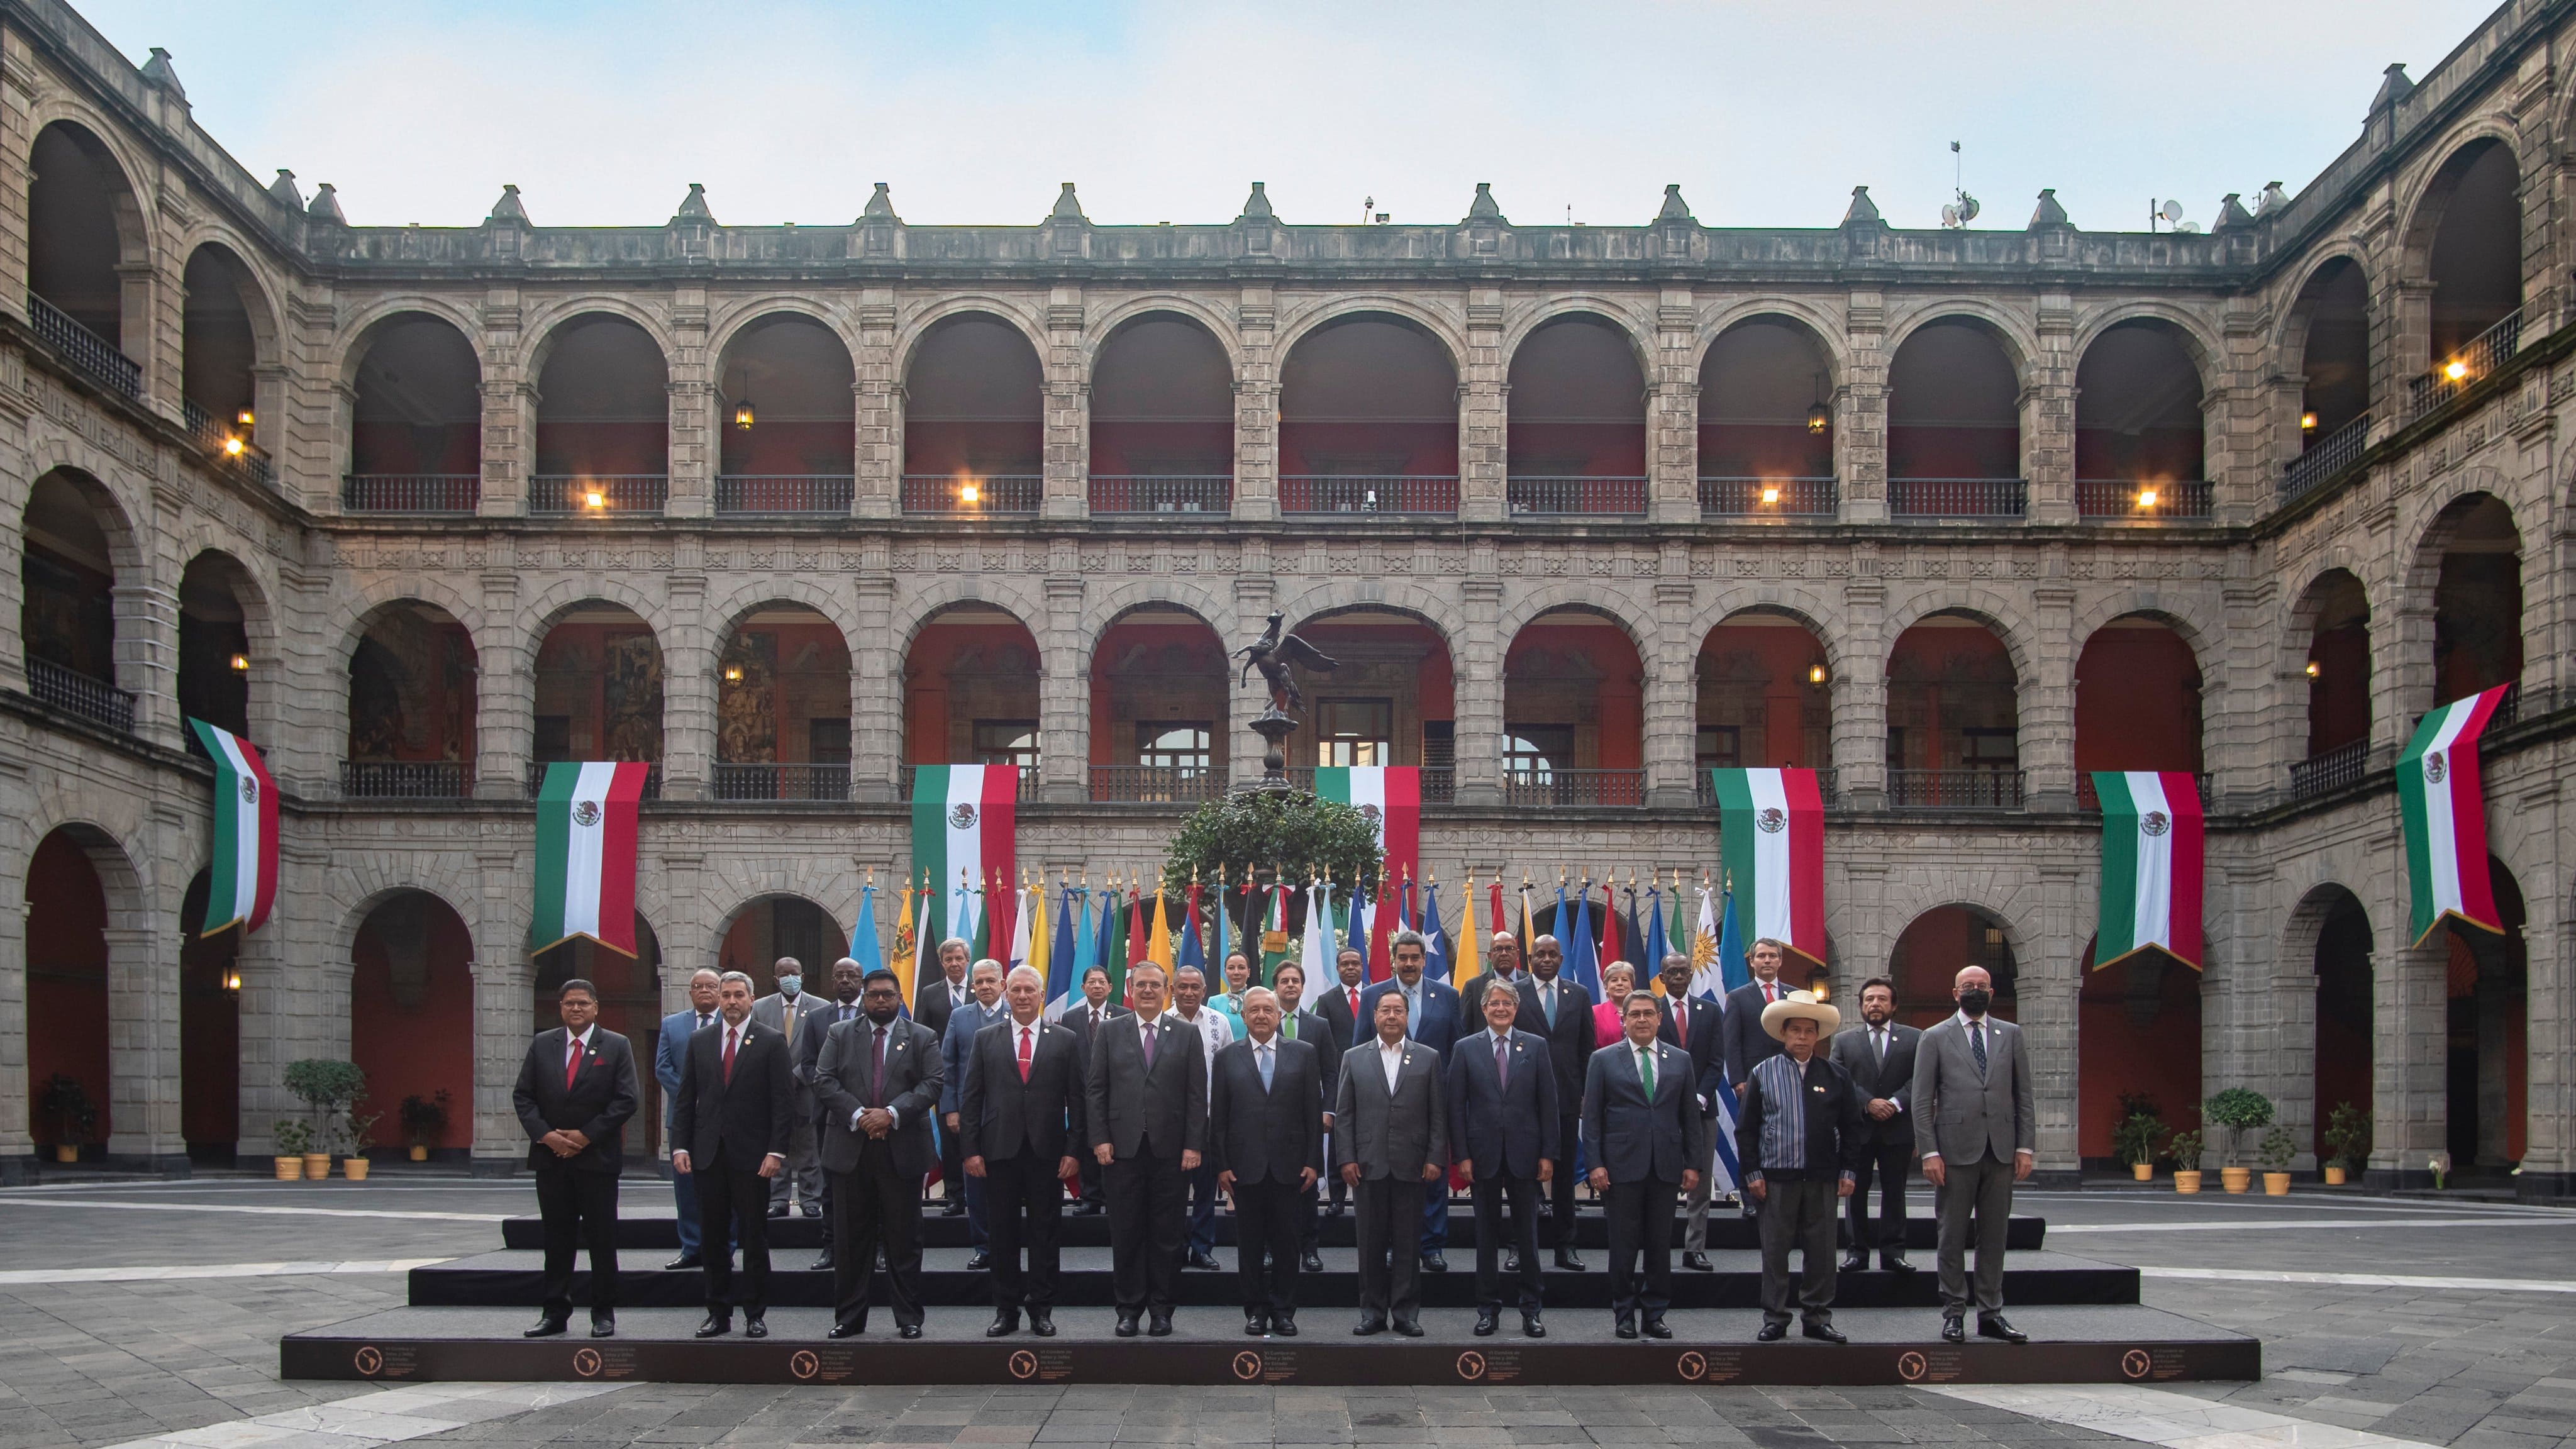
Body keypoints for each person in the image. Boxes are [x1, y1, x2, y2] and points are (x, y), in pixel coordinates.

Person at [813, 965, 941, 1339]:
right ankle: (850, 1318)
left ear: (900, 998)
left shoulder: (923, 1036)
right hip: (850, 1148)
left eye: (888, 994)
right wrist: (859, 1115)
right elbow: (823, 1079)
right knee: (851, 1240)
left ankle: (909, 1318)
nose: (881, 1000)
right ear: (863, 998)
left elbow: (933, 1083)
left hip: (901, 1150)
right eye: (874, 995)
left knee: (905, 1239)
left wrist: (891, 1114)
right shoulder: (839, 1033)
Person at [1913, 965, 2036, 1345]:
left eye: (1981, 986)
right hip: (1952, 1153)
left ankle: (1990, 1313)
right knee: (1951, 1236)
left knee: (1995, 1236)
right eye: (1968, 986)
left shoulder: (2011, 1034)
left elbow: (2023, 1096)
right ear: (1955, 993)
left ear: (1991, 991)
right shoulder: (1934, 1037)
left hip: (2000, 1150)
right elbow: (1921, 1101)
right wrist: (1929, 1151)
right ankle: (1954, 1313)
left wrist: (2025, 1146)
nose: (1975, 991)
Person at [511, 978, 639, 1340]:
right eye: (570, 1003)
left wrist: (586, 1136)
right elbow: (523, 1096)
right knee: (557, 1239)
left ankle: (603, 1313)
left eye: (583, 1003)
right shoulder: (542, 1043)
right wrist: (547, 1135)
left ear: (596, 1007)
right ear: (561, 1007)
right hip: (551, 1159)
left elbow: (627, 1099)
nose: (577, 1009)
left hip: (596, 1158)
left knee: (602, 1238)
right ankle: (554, 1312)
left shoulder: (616, 1045)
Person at [960, 965, 1083, 1338]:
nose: (1023, 996)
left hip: (1048, 1152)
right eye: (1016, 990)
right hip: (999, 1151)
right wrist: (971, 1151)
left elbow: (1077, 1099)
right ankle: (1006, 1310)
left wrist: (1074, 1149)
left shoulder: (1065, 1039)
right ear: (1005, 993)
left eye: (1030, 990)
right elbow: (971, 1099)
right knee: (1003, 1235)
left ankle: (1042, 1309)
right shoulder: (986, 1038)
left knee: (1046, 1234)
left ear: (1041, 995)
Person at [1738, 989, 1868, 1343]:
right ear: (1783, 1033)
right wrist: (1752, 1174)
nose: (1801, 1037)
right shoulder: (1763, 1073)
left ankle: (1817, 1317)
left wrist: (1849, 1171)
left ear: (1818, 1035)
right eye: (1795, 1030)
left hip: (1824, 1178)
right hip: (1775, 1178)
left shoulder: (1836, 1075)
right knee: (1775, 1252)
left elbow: (1853, 1127)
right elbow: (1746, 1129)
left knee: (1823, 1252)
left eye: (1809, 1031)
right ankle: (1776, 1317)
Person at [1085, 961, 1206, 1338]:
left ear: (1166, 989)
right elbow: (1096, 1090)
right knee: (1126, 1233)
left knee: (1167, 1235)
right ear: (1130, 989)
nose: (1149, 991)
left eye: (1156, 985)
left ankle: (1161, 1310)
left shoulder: (1186, 1034)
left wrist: (1193, 1145)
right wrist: (1100, 1138)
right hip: (1121, 1151)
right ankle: (1128, 1310)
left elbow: (1195, 1095)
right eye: (1142, 985)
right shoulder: (1109, 1031)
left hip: (1171, 1152)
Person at [671, 970, 792, 1339]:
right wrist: (680, 1145)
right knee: (712, 1238)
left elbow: (783, 1103)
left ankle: (755, 1314)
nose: (731, 1001)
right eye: (726, 995)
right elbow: (686, 1099)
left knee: (754, 1238)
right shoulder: (700, 1040)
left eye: (739, 994)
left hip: (754, 1158)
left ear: (752, 999)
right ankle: (717, 1314)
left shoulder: (771, 1041)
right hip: (709, 1156)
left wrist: (776, 1151)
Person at [1582, 991, 1709, 1340]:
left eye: (1648, 1014)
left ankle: (1655, 1314)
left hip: (1666, 1167)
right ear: (1623, 1019)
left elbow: (1690, 1118)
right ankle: (1624, 1313)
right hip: (1621, 1169)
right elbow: (1592, 1118)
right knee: (1623, 1247)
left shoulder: (1680, 1060)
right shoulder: (1603, 1059)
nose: (1641, 1020)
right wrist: (1595, 1164)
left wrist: (1693, 1164)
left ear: (1659, 1018)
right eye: (1634, 1014)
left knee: (1658, 1247)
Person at [1208, 986, 1324, 1336]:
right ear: (1243, 1017)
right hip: (1244, 1169)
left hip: (1291, 1168)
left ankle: (1284, 1311)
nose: (1260, 1016)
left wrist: (1313, 1162)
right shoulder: (1227, 1057)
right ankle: (1256, 1311)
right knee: (1251, 1246)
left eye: (1267, 1010)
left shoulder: (1304, 1054)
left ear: (1278, 1016)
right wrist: (1222, 1165)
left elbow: (1311, 1113)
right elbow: (1220, 1118)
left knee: (1289, 1244)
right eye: (1253, 1010)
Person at [1446, 977, 1556, 1338]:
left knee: (1528, 1237)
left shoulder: (1536, 1047)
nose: (1500, 1009)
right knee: (1486, 1236)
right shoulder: (1465, 1048)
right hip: (1482, 1156)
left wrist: (1548, 1154)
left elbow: (1548, 1105)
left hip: (1527, 1155)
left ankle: (1531, 1311)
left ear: (1516, 1008)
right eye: (1493, 1004)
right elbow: (1455, 1107)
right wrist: (1461, 1155)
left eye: (1506, 1004)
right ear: (1484, 1009)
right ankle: (1487, 1310)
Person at [1335, 990, 1446, 1338]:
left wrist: (1434, 1157)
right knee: (1369, 1244)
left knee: (1408, 1243)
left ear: (1408, 1016)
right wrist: (1347, 1158)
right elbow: (1345, 1115)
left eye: (1399, 1010)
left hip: (1412, 1165)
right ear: (1375, 1016)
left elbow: (1437, 1115)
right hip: (1367, 1166)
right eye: (1386, 1010)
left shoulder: (1428, 1058)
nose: (1392, 1016)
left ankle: (1406, 1314)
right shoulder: (1354, 1057)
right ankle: (1372, 1312)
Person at [1360, 931, 1462, 1272]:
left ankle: (1431, 1245)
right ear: (1394, 960)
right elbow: (1360, 1051)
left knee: (1432, 1174)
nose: (1408, 964)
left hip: (1434, 1102)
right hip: (1385, 1104)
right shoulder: (1374, 995)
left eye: (1414, 958)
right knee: (1391, 1179)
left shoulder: (1447, 996)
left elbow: (1456, 1050)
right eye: (1402, 958)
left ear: (1424, 960)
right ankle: (1393, 1245)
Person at [1829, 977, 1920, 1274]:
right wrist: (1868, 1103)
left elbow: (1921, 1079)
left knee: (1896, 1191)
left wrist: (1894, 1103)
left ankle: (1894, 1253)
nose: (1875, 1004)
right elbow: (1839, 1079)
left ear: (1893, 1005)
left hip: (1899, 1127)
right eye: (1869, 999)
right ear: (1861, 1005)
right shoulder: (1844, 1040)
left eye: (1881, 999)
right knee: (1855, 1191)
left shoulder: (1915, 1038)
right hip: (1859, 1128)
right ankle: (1857, 1253)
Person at [1514, 933, 1594, 1270]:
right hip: (1522, 1101)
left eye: (1552, 954)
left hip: (1564, 1099)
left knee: (1563, 1178)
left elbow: (1586, 1049)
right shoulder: (1514, 993)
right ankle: (1520, 1247)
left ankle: (1566, 1247)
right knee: (1522, 1178)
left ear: (1562, 959)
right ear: (1529, 959)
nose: (1546, 959)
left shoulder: (1579, 994)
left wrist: (1585, 1095)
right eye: (1539, 954)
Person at [1656, 952, 1727, 1272]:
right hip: (1663, 1110)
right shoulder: (1651, 1010)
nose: (1679, 977)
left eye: (1684, 971)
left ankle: (1694, 1248)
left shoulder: (1709, 1011)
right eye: (1672, 972)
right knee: (1664, 1179)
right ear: (1662, 977)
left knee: (1700, 1181)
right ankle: (1660, 1248)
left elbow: (1716, 1061)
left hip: (1702, 1110)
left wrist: (1700, 1096)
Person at [799, 958, 869, 1270]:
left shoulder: (877, 1011)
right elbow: (809, 1065)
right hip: (830, 1115)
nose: (845, 980)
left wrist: (861, 1102)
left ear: (861, 980)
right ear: (831, 980)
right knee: (831, 1187)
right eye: (839, 975)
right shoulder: (816, 1018)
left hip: (872, 1114)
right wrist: (842, 1099)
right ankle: (831, 1246)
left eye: (851, 976)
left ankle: (876, 1247)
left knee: (874, 1184)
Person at [750, 955, 831, 1218]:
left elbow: (826, 1050)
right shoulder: (760, 1008)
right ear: (776, 980)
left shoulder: (821, 1008)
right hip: (771, 1091)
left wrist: (796, 1075)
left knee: (809, 1148)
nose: (790, 979)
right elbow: (755, 1044)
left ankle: (810, 1200)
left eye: (794, 973)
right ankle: (778, 1199)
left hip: (807, 1088)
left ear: (803, 977)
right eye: (784, 975)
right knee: (777, 1145)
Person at [939, 958, 1008, 1267]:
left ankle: (1010, 1246)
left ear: (1002, 984)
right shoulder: (960, 1017)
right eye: (978, 982)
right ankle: (983, 1247)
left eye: (990, 981)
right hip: (972, 1116)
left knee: (1008, 1186)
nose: (984, 987)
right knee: (976, 1185)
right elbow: (948, 1066)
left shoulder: (1018, 1013)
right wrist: (951, 1109)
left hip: (1010, 1116)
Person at [653, 969, 722, 1270]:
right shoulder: (672, 1024)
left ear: (720, 991)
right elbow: (663, 1067)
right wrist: (690, 1096)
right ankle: (691, 1248)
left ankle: (723, 1249)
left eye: (711, 986)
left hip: (723, 1119)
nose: (704, 990)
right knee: (686, 1187)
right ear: (690, 993)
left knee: (723, 1187)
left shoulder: (733, 1021)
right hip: (683, 1119)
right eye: (698, 986)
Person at [1170, 963, 1235, 1269]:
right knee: (1171, 1190)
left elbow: (1229, 1070)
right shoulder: (1162, 1021)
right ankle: (1174, 1246)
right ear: (1173, 990)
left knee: (1206, 1190)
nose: (1189, 992)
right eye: (1182, 987)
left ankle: (1202, 1247)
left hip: (1208, 1119)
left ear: (1205, 991)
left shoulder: (1218, 1021)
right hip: (1168, 1121)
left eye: (1195, 987)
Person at [1056, 964, 1127, 1215]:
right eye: (1092, 982)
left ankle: (1112, 1196)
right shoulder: (1070, 1018)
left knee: (1113, 1143)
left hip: (1115, 1090)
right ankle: (1090, 1196)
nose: (1097, 986)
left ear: (1110, 987)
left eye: (1102, 982)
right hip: (1081, 1089)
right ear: (1082, 987)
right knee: (1086, 1141)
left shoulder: (1123, 1014)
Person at [914, 938, 974, 1215]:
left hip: (979, 1075)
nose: (954, 964)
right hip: (944, 1077)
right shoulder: (930, 993)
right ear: (942, 963)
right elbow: (921, 1034)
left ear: (967, 960)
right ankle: (955, 1196)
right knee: (951, 1139)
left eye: (959, 959)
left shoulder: (980, 988)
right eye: (949, 960)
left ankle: (979, 1194)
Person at [1313, 944, 1370, 1221]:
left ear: (1363, 966)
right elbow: (1324, 1042)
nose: (1350, 968)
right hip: (1341, 1077)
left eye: (1355, 964)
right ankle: (1336, 1198)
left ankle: (1367, 1197)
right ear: (1337, 969)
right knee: (1339, 1139)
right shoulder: (1327, 999)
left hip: (1373, 1076)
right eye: (1345, 964)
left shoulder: (1375, 996)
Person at [1724, 938, 1797, 1098]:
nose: (1767, 961)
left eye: (1773, 956)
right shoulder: (1737, 997)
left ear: (1780, 961)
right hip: (1752, 1078)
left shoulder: (1794, 995)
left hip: (1790, 1075)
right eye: (1761, 956)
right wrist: (1738, 1080)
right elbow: (1732, 1042)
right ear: (1752, 961)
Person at [1457, 931, 1523, 1024]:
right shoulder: (1473, 987)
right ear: (1490, 956)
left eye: (1510, 948)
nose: (1504, 953)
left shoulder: (1530, 982)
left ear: (1518, 954)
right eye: (1498, 949)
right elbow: (1464, 1027)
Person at [1591, 960, 1638, 1047]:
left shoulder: (1642, 1011)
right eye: (1614, 980)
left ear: (1632, 985)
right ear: (1606, 986)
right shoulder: (1595, 1012)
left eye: (1624, 980)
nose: (1620, 983)